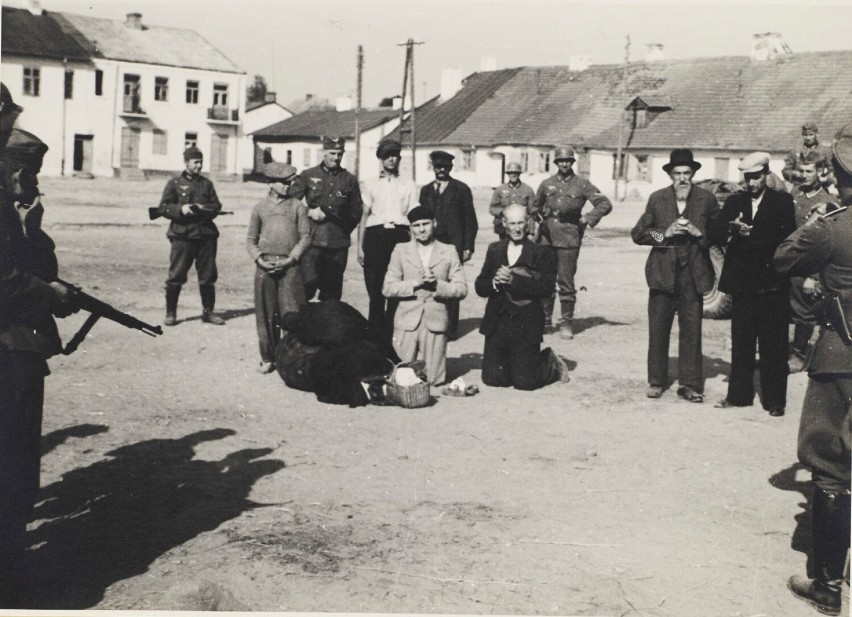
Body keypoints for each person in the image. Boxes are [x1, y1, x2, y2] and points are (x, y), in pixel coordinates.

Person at [0, 109, 79, 605]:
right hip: (11, 351)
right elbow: (10, 280)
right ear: (18, 171)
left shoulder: (15, 210)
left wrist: (33, 225)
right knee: (14, 463)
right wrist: (50, 295)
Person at [773, 123, 852, 617]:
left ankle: (825, 584)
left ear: (840, 174)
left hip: (840, 356)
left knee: (828, 465)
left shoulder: (833, 226)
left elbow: (783, 259)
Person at [708, 152, 797, 416]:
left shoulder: (782, 201)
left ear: (767, 175)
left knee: (774, 345)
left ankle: (775, 401)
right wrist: (731, 229)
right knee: (742, 342)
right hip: (744, 285)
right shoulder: (735, 201)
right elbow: (713, 233)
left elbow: (787, 236)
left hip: (772, 284)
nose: (752, 183)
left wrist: (752, 235)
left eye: (756, 177)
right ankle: (739, 396)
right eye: (748, 178)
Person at [631, 149, 717, 403]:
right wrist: (664, 234)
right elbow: (638, 233)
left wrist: (698, 232)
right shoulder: (657, 199)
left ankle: (690, 384)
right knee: (658, 328)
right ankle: (656, 381)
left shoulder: (706, 199)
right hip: (662, 273)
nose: (682, 178)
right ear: (670, 175)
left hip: (693, 273)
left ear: (693, 175)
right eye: (677, 173)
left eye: (686, 173)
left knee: (692, 330)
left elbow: (719, 235)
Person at [474, 204, 571, 390]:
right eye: (512, 223)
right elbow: (480, 286)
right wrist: (494, 281)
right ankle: (515, 363)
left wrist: (513, 281)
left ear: (528, 222)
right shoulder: (495, 249)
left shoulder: (542, 252)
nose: (517, 228)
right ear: (504, 223)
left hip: (525, 324)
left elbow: (547, 289)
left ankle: (549, 362)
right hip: (498, 324)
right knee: (494, 380)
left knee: (524, 383)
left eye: (521, 222)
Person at [382, 205, 467, 385]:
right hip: (406, 320)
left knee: (434, 380)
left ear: (434, 223)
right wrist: (415, 283)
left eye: (426, 224)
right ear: (410, 228)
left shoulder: (449, 250)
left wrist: (437, 285)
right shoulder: (400, 250)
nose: (421, 229)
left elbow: (461, 288)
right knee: (400, 377)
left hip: (435, 320)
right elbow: (387, 288)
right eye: (416, 225)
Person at [534, 145, 612, 339]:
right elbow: (535, 206)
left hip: (569, 237)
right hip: (546, 237)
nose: (564, 164)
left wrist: (587, 219)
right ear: (556, 163)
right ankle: (544, 320)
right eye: (561, 161)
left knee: (566, 281)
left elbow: (604, 203)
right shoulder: (546, 183)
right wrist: (536, 221)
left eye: (568, 161)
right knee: (545, 279)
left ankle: (566, 323)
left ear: (572, 162)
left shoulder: (582, 184)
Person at [246, 162, 312, 374]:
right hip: (265, 266)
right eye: (283, 183)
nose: (287, 186)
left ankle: (291, 359)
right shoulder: (259, 208)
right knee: (265, 313)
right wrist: (259, 259)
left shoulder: (297, 207)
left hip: (290, 267)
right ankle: (268, 357)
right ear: (271, 183)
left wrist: (291, 259)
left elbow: (305, 237)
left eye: (290, 182)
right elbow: (250, 239)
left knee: (291, 313)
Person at [155, 146, 226, 326]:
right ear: (186, 163)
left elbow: (216, 206)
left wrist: (203, 209)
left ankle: (208, 313)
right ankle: (171, 313)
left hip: (205, 236)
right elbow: (163, 208)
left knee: (208, 276)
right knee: (176, 275)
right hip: (182, 237)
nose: (199, 166)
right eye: (196, 162)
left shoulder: (207, 184)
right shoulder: (174, 183)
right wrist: (181, 209)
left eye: (201, 162)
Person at [356, 138, 418, 341]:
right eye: (387, 156)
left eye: (395, 156)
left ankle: (391, 338)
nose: (391, 160)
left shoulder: (409, 185)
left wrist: (414, 246)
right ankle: (374, 337)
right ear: (381, 159)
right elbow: (364, 216)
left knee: (396, 288)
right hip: (375, 237)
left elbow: (412, 216)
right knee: (375, 291)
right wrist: (360, 247)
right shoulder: (369, 184)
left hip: (399, 236)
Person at [788, 152, 840, 373]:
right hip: (790, 264)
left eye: (809, 171)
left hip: (809, 269)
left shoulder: (828, 203)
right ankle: (781, 352)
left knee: (804, 312)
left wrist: (814, 277)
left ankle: (799, 355)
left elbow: (830, 247)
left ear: (821, 172)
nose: (804, 175)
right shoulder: (795, 196)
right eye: (801, 170)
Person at [417, 150, 478, 340]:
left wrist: (468, 245)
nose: (441, 170)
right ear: (433, 167)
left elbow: (470, 219)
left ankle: (451, 327)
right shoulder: (426, 190)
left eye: (445, 166)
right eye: (438, 166)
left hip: (454, 243)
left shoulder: (461, 189)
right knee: (430, 280)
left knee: (452, 283)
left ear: (451, 168)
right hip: (431, 242)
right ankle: (432, 323)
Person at [296, 136, 363, 302]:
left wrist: (339, 223)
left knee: (331, 295)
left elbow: (356, 212)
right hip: (311, 243)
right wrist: (308, 212)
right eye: (332, 153)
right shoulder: (308, 175)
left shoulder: (349, 180)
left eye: (340, 153)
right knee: (305, 288)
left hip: (337, 246)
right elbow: (290, 204)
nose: (336, 157)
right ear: (323, 152)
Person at [783, 122, 836, 190]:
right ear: (802, 135)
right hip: (799, 188)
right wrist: (796, 174)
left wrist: (823, 179)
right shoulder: (795, 151)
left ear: (817, 134)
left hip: (818, 188)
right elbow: (786, 170)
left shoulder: (825, 151)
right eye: (805, 135)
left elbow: (832, 170)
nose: (808, 138)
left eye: (811, 135)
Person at [489, 161, 536, 238]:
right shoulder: (500, 189)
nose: (513, 175)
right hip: (504, 228)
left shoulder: (528, 190)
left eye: (516, 173)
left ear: (519, 174)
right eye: (511, 173)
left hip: (521, 228)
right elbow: (492, 208)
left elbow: (532, 212)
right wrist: (503, 212)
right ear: (508, 174)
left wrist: (531, 231)